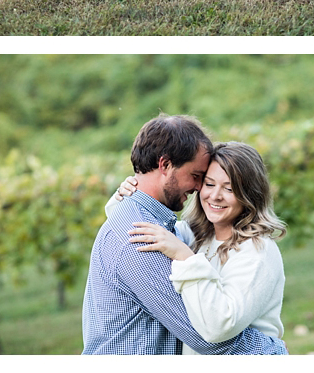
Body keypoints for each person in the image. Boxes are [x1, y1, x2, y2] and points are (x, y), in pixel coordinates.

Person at [82, 115, 286, 354]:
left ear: (248, 194)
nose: (206, 192)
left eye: (229, 188)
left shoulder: (255, 250)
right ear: (165, 166)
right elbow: (203, 337)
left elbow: (216, 327)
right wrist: (270, 351)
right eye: (205, 181)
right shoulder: (181, 236)